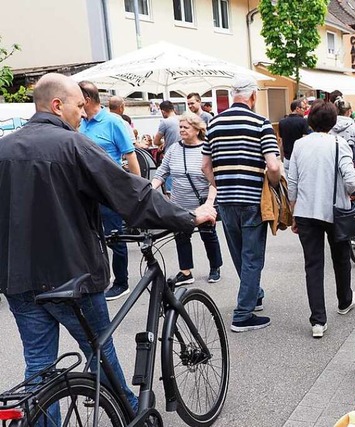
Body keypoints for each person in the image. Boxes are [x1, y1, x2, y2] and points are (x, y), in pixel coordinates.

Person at [0, 73, 216, 420]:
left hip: (18, 276)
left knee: (39, 365)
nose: (82, 115)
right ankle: (132, 415)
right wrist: (189, 217)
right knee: (100, 350)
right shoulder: (72, 145)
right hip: (71, 274)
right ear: (57, 105)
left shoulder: (4, 148)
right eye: (77, 107)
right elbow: (130, 193)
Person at [202, 75, 281, 332]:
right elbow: (273, 165)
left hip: (226, 200)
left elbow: (204, 166)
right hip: (252, 199)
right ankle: (242, 314)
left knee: (238, 253)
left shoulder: (213, 123)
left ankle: (254, 294)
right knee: (252, 257)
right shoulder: (260, 123)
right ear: (253, 96)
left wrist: (220, 184)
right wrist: (274, 184)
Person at [287, 100, 355, 338]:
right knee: (341, 257)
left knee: (313, 265)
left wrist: (293, 209)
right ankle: (344, 301)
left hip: (306, 212)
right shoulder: (339, 143)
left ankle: (318, 321)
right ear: (333, 121)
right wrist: (348, 192)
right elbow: (352, 180)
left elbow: (293, 183)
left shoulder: (299, 144)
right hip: (335, 210)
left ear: (310, 120)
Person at [79, 80, 140, 301]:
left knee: (115, 237)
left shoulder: (113, 122)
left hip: (108, 190)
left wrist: (138, 190)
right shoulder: (80, 123)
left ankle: (121, 281)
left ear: (86, 99)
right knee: (92, 238)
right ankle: (99, 278)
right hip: (86, 191)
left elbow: (130, 155)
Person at [152, 113, 223, 285]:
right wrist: (150, 189)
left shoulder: (206, 149)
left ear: (197, 129)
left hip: (202, 204)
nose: (182, 130)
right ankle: (185, 272)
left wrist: (209, 204)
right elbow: (162, 172)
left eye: (186, 127)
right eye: (180, 127)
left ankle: (215, 267)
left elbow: (215, 180)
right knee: (181, 237)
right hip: (179, 204)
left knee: (208, 235)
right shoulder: (174, 149)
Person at [278, 99, 311, 174]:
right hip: (300, 159)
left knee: (289, 183)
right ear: (297, 109)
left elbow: (281, 142)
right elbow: (306, 141)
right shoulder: (303, 122)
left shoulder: (282, 122)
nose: (305, 111)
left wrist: (282, 157)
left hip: (287, 158)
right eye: (304, 108)